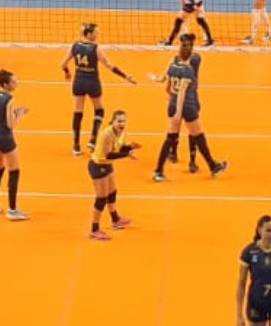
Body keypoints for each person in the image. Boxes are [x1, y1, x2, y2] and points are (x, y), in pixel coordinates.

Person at [151, 33, 228, 181]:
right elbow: (182, 92)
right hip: (188, 103)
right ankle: (212, 166)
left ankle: (158, 171)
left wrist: (155, 79)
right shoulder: (192, 66)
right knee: (198, 135)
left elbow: (165, 84)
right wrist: (179, 112)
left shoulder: (172, 64)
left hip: (172, 103)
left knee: (170, 137)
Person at [60, 23, 137, 156]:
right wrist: (126, 76)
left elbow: (63, 64)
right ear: (89, 34)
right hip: (92, 82)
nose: (98, 35)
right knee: (99, 110)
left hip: (78, 82)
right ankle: (93, 138)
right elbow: (109, 65)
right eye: (96, 33)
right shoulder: (96, 49)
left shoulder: (75, 46)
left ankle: (76, 145)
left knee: (78, 113)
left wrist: (67, 72)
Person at [86, 110, 139, 240]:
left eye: (124, 121)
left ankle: (115, 220)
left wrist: (130, 147)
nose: (122, 123)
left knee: (112, 192)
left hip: (108, 165)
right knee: (101, 198)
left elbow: (118, 148)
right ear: (113, 122)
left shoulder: (121, 132)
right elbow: (107, 154)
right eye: (119, 121)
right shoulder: (106, 134)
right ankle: (94, 229)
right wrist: (127, 155)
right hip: (98, 166)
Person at [0, 69, 29, 220]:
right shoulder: (9, 99)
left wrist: (13, 113)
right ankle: (12, 210)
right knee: (14, 171)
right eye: (13, 82)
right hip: (4, 137)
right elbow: (10, 124)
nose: (16, 84)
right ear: (5, 84)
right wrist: (20, 115)